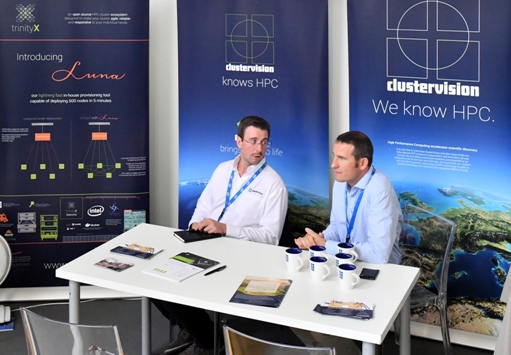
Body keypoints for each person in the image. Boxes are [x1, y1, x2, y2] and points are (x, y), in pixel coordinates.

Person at [155, 115, 288, 355]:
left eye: (264, 142)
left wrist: (226, 229)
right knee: (158, 279)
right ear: (238, 141)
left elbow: (271, 237)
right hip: (205, 244)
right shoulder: (222, 169)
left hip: (242, 256)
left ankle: (206, 341)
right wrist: (196, 223)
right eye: (253, 141)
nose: (259, 148)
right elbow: (203, 206)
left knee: (184, 282)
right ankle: (195, 330)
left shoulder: (273, 184)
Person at [295, 131, 402, 264]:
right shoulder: (340, 182)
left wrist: (326, 245)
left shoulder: (380, 190)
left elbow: (378, 254)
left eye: (342, 158)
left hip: (380, 269)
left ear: (362, 163)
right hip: (346, 261)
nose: (333, 164)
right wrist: (318, 239)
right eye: (335, 156)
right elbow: (337, 227)